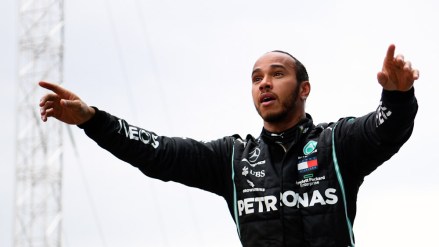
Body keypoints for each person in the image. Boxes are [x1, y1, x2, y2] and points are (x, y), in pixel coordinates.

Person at [39, 44, 419, 247]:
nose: (264, 83)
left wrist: (398, 96)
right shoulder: (233, 158)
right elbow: (157, 153)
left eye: (277, 74)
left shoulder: (335, 144)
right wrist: (93, 119)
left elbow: (384, 131)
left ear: (304, 89)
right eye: (256, 78)